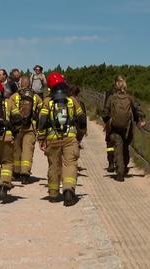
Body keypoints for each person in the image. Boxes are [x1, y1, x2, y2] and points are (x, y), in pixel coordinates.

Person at [38, 72, 87, 206]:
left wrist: (41, 139)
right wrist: (80, 134)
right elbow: (82, 118)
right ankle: (68, 191)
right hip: (70, 137)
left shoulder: (47, 101)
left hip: (52, 138)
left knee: (54, 165)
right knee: (70, 164)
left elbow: (42, 121)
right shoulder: (72, 100)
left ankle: (53, 194)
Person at [102, 75, 146, 182]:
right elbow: (137, 109)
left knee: (117, 147)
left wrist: (108, 122)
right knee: (125, 147)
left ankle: (120, 172)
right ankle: (124, 167)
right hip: (127, 128)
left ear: (116, 84)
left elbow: (105, 113)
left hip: (114, 128)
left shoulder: (111, 97)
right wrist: (140, 120)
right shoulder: (130, 98)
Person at [9, 76, 43, 184]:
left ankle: (16, 172)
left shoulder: (14, 96)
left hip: (17, 128)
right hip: (30, 127)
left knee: (16, 150)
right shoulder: (36, 97)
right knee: (28, 151)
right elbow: (41, 112)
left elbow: (9, 112)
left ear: (20, 84)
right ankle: (25, 175)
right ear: (29, 84)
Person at [103, 77, 120, 173]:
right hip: (123, 125)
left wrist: (106, 121)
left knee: (109, 143)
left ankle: (110, 163)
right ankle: (120, 164)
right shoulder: (126, 94)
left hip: (111, 123)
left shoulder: (109, 94)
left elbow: (105, 111)